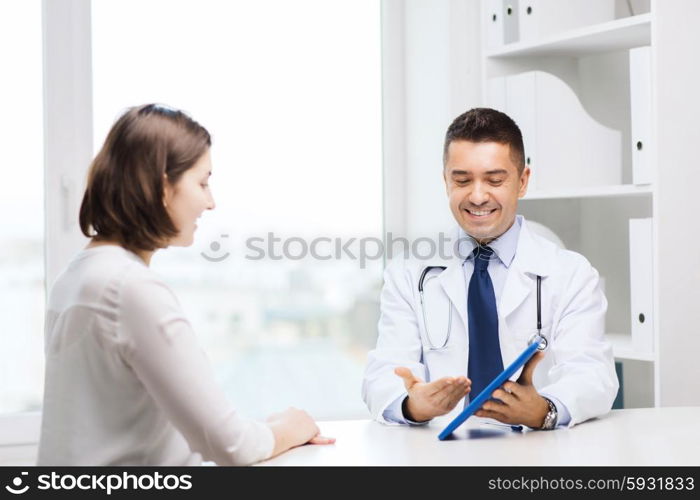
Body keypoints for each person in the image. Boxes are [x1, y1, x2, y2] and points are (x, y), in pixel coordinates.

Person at [37, 104, 334, 465]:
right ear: (163, 185)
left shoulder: (77, 276)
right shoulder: (130, 289)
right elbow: (229, 446)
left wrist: (259, 429)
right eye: (202, 182)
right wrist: (291, 427)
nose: (210, 202)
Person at [362, 108, 618, 430]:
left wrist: (543, 409)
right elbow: (383, 373)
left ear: (522, 181)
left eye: (495, 180)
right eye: (462, 180)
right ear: (446, 181)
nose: (478, 196)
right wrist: (413, 405)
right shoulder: (408, 273)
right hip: (441, 455)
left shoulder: (571, 274)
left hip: (537, 454)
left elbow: (592, 374)